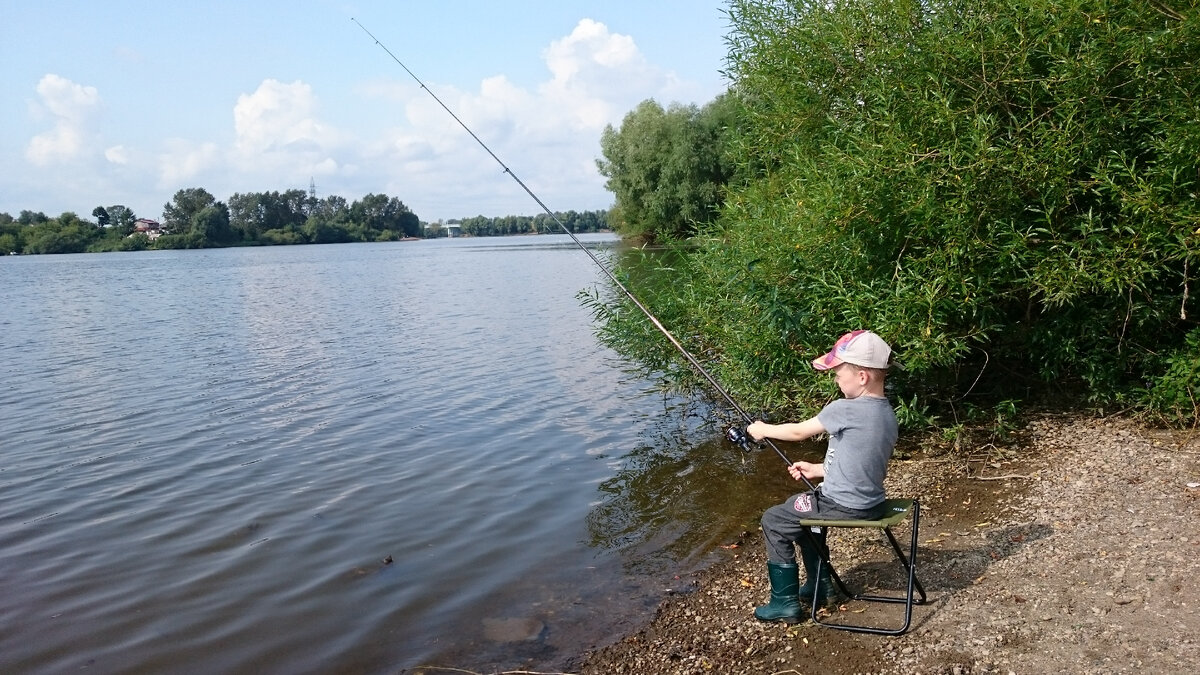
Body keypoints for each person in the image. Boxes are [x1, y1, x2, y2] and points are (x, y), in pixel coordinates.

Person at [746, 329, 898, 623]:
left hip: (843, 505)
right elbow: (862, 461)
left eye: (839, 373)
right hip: (870, 503)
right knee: (799, 502)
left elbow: (798, 431)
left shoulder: (845, 409)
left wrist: (763, 430)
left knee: (774, 520)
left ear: (862, 377)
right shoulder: (885, 412)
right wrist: (818, 471)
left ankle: (784, 603)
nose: (836, 379)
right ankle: (819, 583)